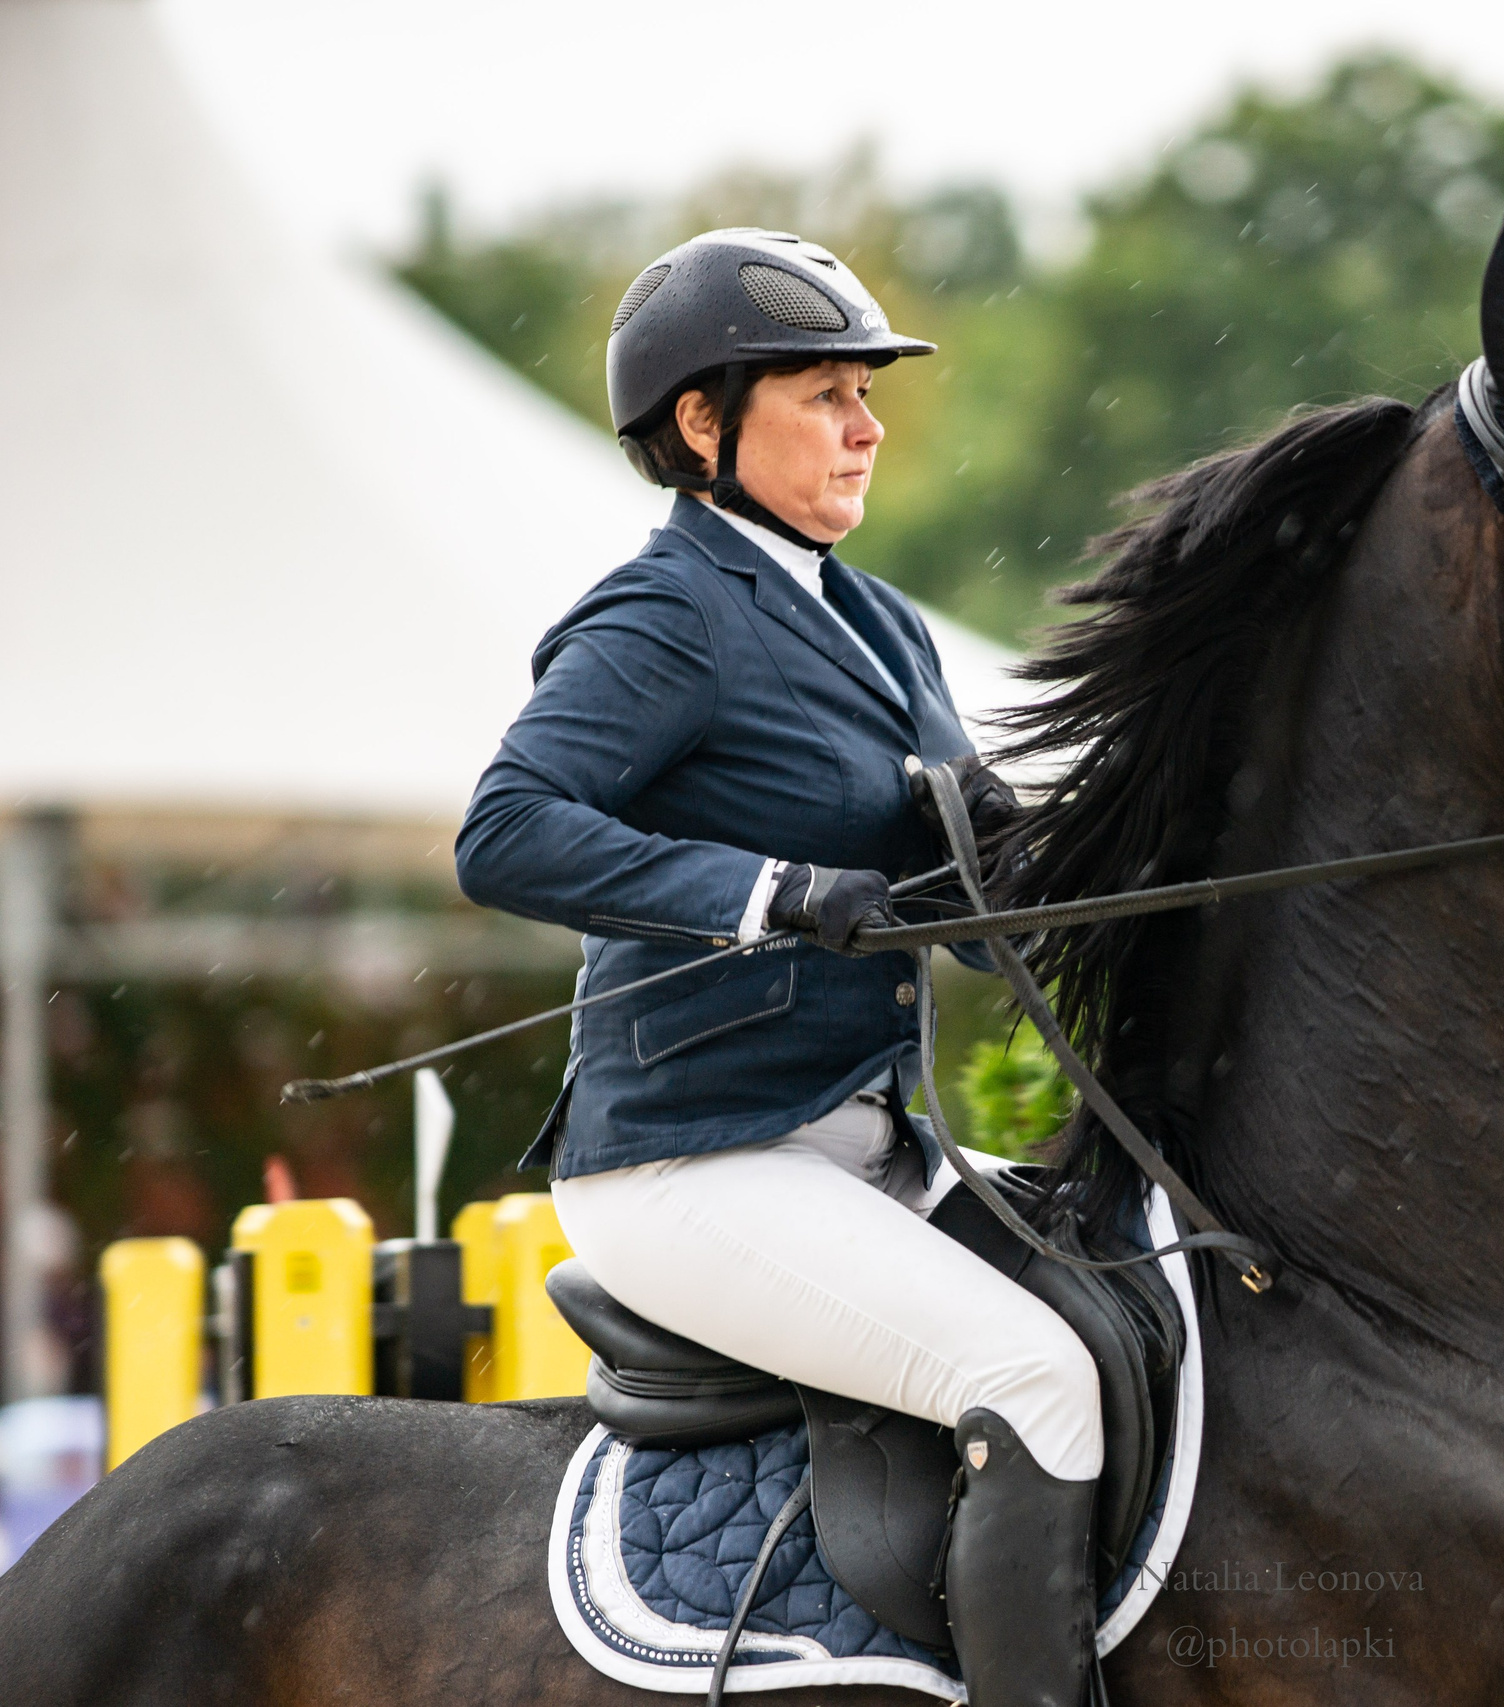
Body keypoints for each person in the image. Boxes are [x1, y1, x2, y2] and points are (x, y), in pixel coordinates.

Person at [455, 229, 1096, 1707]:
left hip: (870, 1144)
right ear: (703, 423)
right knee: (1035, 1381)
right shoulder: (668, 612)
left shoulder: (876, 618)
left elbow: (970, 850)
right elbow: (505, 833)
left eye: (865, 395)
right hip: (694, 1164)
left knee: (1139, 1307)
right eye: (826, 393)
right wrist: (766, 891)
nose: (869, 426)